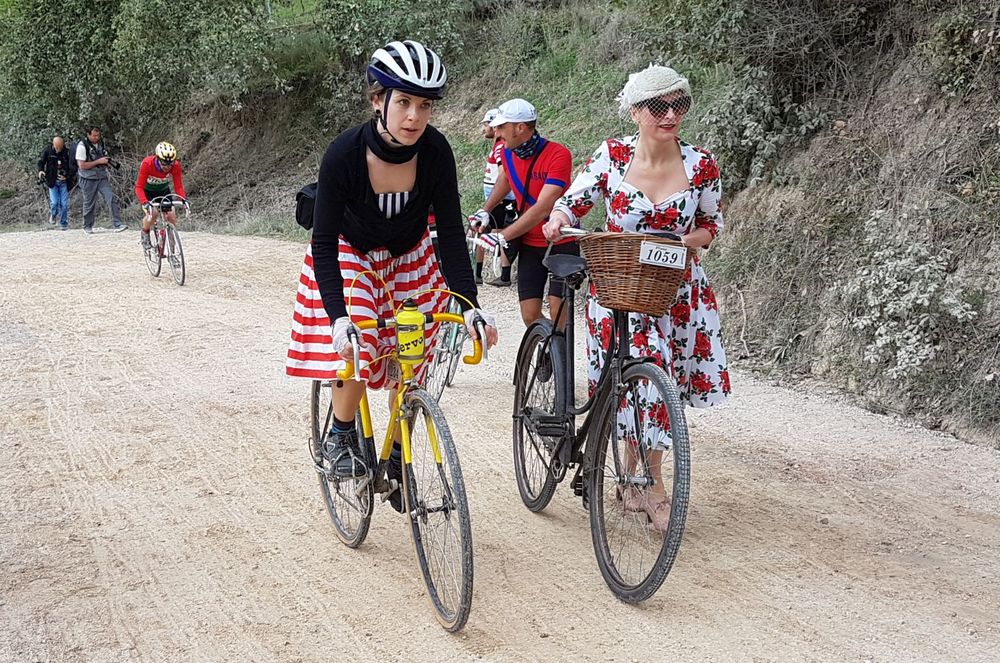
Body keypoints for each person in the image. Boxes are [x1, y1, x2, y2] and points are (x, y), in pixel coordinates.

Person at [285, 40, 498, 510]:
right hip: (350, 252)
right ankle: (341, 434)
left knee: (414, 355)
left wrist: (469, 305)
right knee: (361, 335)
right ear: (377, 100)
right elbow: (323, 243)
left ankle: (398, 454)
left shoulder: (437, 153)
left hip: (409, 254)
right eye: (403, 102)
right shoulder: (343, 154)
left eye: (424, 105)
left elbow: (449, 234)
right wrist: (338, 318)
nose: (414, 117)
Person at [543, 65, 731, 531]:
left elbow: (711, 226)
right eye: (658, 107)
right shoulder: (613, 156)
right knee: (642, 381)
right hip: (621, 286)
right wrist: (558, 216)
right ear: (634, 111)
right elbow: (575, 199)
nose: (670, 115)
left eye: (678, 105)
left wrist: (679, 245)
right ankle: (650, 485)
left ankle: (639, 479)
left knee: (659, 386)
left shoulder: (700, 164)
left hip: (676, 291)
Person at [472, 98, 577, 326]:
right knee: (530, 315)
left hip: (561, 241)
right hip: (531, 244)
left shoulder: (558, 154)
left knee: (559, 311)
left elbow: (543, 207)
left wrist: (503, 236)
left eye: (501, 127)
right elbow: (506, 179)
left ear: (520, 128)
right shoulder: (508, 153)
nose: (497, 133)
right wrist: (485, 210)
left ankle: (560, 355)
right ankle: (545, 353)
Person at [474, 108, 518, 286]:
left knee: (481, 229)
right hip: (498, 198)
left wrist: (498, 196)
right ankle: (500, 274)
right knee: (498, 232)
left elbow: (503, 173)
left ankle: (479, 274)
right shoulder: (498, 145)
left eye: (486, 124)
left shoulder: (500, 147)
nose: (484, 128)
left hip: (501, 200)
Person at [135, 141, 187, 249]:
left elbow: (179, 187)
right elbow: (139, 187)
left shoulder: (175, 166)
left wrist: (183, 199)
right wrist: (145, 202)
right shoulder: (147, 164)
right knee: (153, 214)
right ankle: (145, 233)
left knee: (171, 217)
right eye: (164, 163)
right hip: (147, 192)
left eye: (170, 164)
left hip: (163, 191)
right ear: (157, 158)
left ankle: (173, 250)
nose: (167, 167)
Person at [75, 127, 127, 234]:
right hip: (87, 178)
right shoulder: (82, 146)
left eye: (98, 135)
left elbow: (102, 156)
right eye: (94, 136)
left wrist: (107, 162)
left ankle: (118, 224)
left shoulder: (101, 143)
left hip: (101, 177)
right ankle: (87, 226)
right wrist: (98, 161)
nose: (96, 138)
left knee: (111, 197)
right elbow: (82, 165)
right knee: (89, 202)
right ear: (88, 135)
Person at [36, 136, 75, 229]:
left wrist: (66, 176)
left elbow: (73, 167)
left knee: (64, 204)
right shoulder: (48, 151)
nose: (58, 149)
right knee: (54, 203)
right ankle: (53, 215)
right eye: (56, 147)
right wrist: (41, 170)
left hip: (63, 182)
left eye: (60, 147)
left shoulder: (67, 152)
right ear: (53, 144)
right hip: (52, 181)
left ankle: (63, 223)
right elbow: (41, 162)